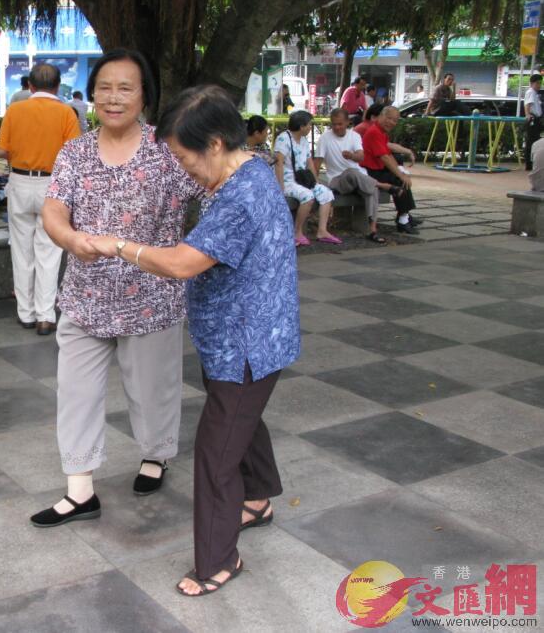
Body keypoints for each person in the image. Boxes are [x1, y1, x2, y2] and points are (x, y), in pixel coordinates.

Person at [85, 85, 299, 597]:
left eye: (183, 157)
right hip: (240, 337)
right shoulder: (246, 171)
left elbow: (183, 263)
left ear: (218, 143)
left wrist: (118, 245)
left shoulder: (242, 196)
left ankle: (218, 561)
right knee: (242, 419)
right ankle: (259, 498)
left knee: (215, 452)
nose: (182, 168)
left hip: (247, 343)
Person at [29, 48, 203, 528]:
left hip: (152, 298)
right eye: (104, 87)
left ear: (144, 95)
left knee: (152, 390)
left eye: (125, 87)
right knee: (76, 391)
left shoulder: (168, 151)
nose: (113, 97)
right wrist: (68, 239)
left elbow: (215, 186)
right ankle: (80, 490)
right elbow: (54, 209)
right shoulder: (76, 150)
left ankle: (155, 454)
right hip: (85, 296)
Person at [0, 63, 80, 335]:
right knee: (49, 251)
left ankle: (26, 313)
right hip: (52, 184)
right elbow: (73, 155)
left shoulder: (15, 110)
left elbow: (1, 151)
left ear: (30, 86)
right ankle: (46, 316)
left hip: (20, 182)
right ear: (57, 86)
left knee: (21, 251)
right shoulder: (66, 112)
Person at [314, 108, 394, 243]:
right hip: (337, 180)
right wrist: (314, 182)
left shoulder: (354, 136)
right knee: (352, 172)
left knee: (371, 189)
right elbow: (317, 163)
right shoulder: (325, 138)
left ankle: (373, 230)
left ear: (347, 123)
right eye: (333, 124)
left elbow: (361, 157)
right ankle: (381, 184)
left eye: (340, 124)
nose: (336, 127)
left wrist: (351, 155)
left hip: (358, 178)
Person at [273, 110, 342, 246]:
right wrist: (280, 187)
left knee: (326, 193)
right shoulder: (283, 138)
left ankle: (322, 230)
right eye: (309, 125)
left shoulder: (304, 140)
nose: (310, 128)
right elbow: (278, 164)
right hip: (288, 181)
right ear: (301, 126)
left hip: (302, 180)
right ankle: (296, 232)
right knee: (308, 196)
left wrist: (316, 183)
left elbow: (309, 162)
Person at [361, 106, 419, 234]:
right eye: (389, 118)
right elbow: (385, 157)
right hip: (369, 173)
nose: (392, 122)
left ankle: (404, 216)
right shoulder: (374, 132)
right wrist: (400, 175)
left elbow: (389, 155)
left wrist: (401, 172)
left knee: (401, 177)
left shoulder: (381, 132)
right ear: (381, 116)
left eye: (395, 120)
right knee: (399, 180)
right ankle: (403, 220)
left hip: (376, 170)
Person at [524, 74, 542, 171]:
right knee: (531, 142)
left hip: (536, 119)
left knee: (535, 141)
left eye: (540, 83)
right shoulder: (530, 92)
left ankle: (533, 163)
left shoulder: (535, 93)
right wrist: (528, 115)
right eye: (537, 83)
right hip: (533, 119)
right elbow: (527, 104)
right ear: (531, 83)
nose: (539, 85)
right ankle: (529, 164)